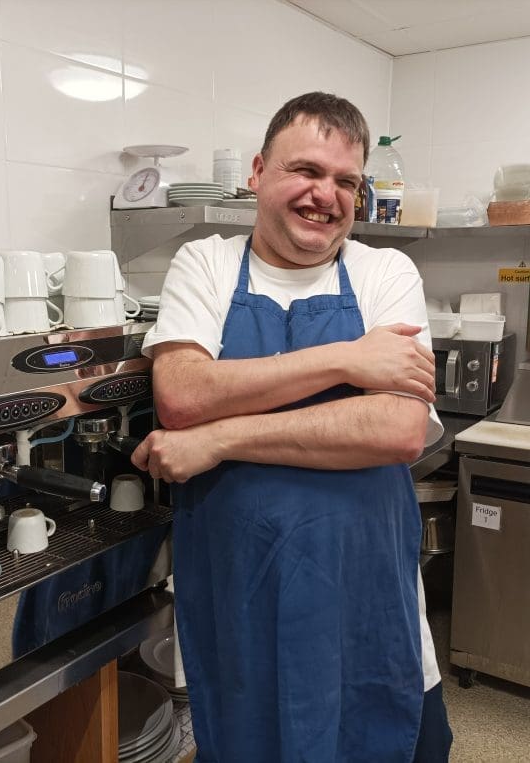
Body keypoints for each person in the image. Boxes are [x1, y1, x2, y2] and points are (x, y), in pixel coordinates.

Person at [132, 92, 452, 762]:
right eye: (305, 170)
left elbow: (396, 429)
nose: (325, 195)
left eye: (345, 181)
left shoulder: (385, 271)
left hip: (369, 615)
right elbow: (183, 397)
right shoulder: (207, 264)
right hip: (242, 613)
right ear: (257, 172)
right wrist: (346, 359)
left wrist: (219, 438)